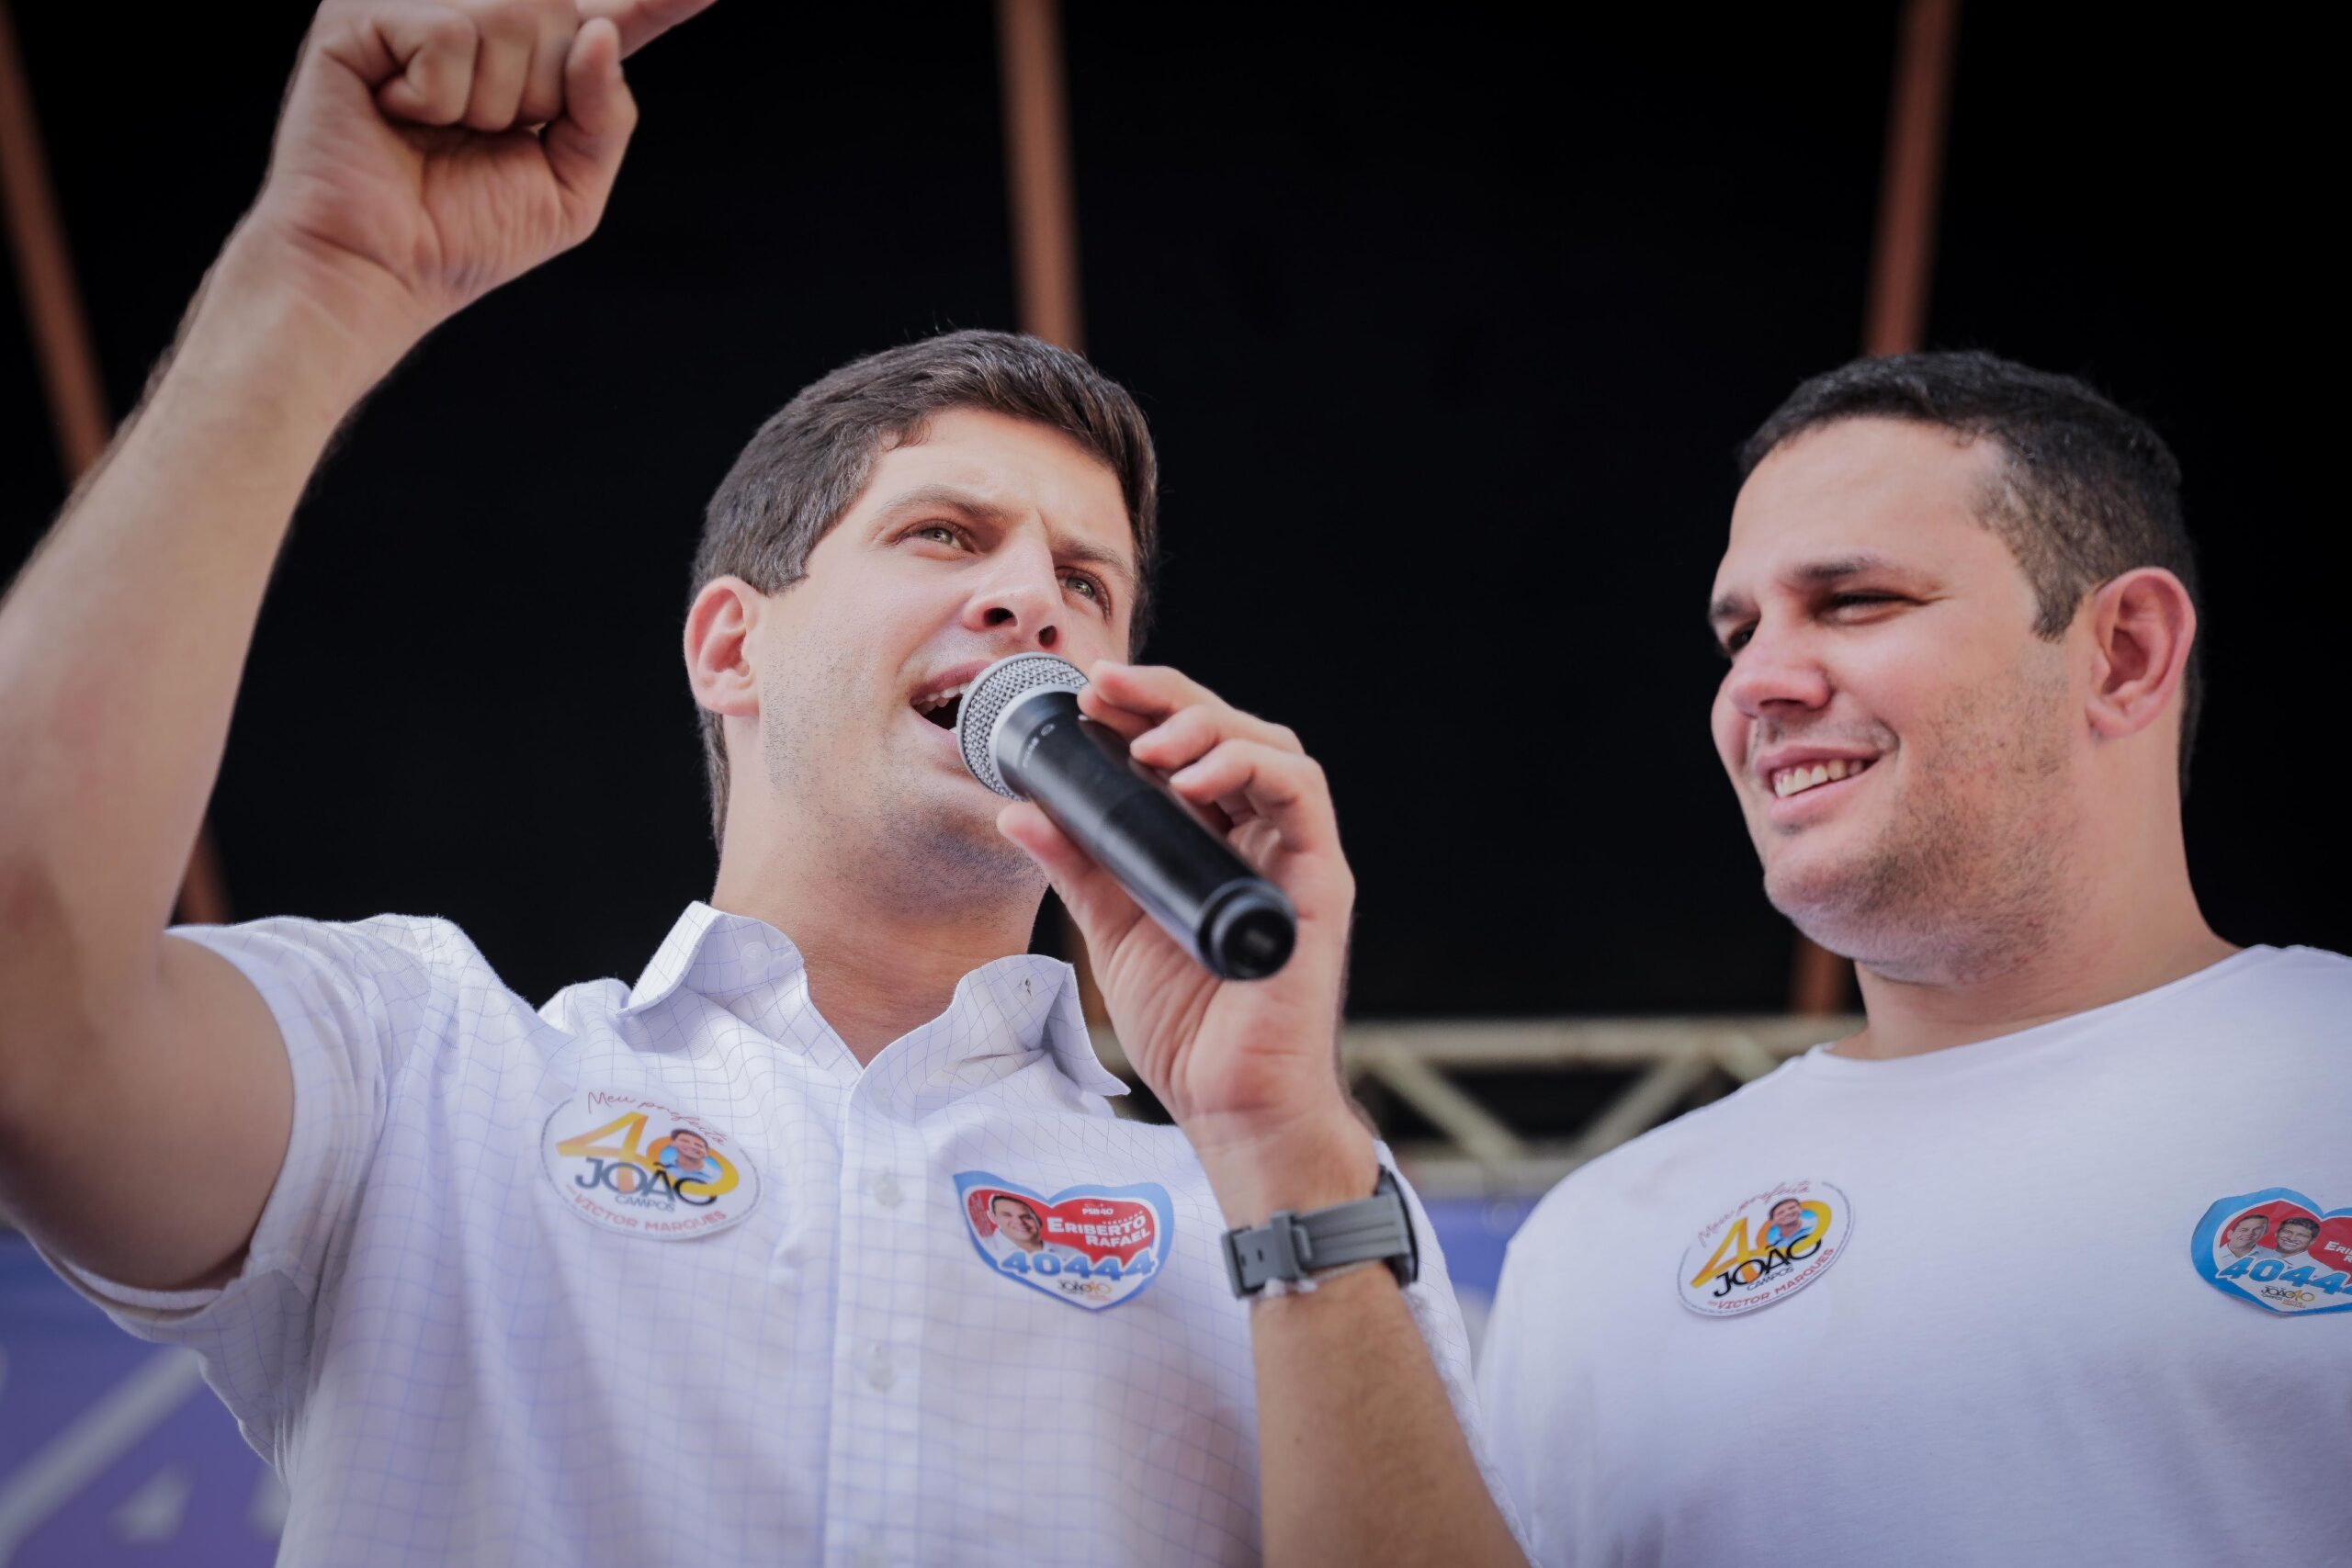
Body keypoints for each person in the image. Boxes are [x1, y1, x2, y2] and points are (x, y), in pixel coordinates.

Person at [0, 4, 1524, 1562]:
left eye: (1088, 579)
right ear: (729, 645)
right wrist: (315, 285)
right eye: (943, 535)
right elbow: (26, 983)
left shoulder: (1283, 1200)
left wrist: (1282, 1143)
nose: (1031, 601)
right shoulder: (421, 1073)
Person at [1478, 352, 2352, 1564]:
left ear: (2126, 653)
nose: (1759, 684)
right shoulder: (1595, 1247)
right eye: (1739, 631)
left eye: (1855, 602)